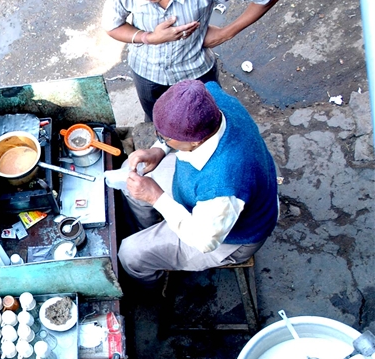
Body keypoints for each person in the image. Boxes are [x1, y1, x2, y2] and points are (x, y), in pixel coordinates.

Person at [103, 0, 284, 121]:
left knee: (205, 124)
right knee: (158, 123)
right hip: (147, 74)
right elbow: (113, 27)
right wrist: (149, 38)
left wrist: (225, 34)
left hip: (196, 73)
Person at [117, 79, 278, 286]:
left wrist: (156, 198)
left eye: (165, 138)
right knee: (128, 175)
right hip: (201, 188)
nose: (161, 139)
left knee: (130, 254)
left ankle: (153, 289)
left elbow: (205, 241)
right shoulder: (208, 100)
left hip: (233, 237)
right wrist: (159, 150)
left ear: (195, 141)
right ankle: (148, 234)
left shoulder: (223, 184)